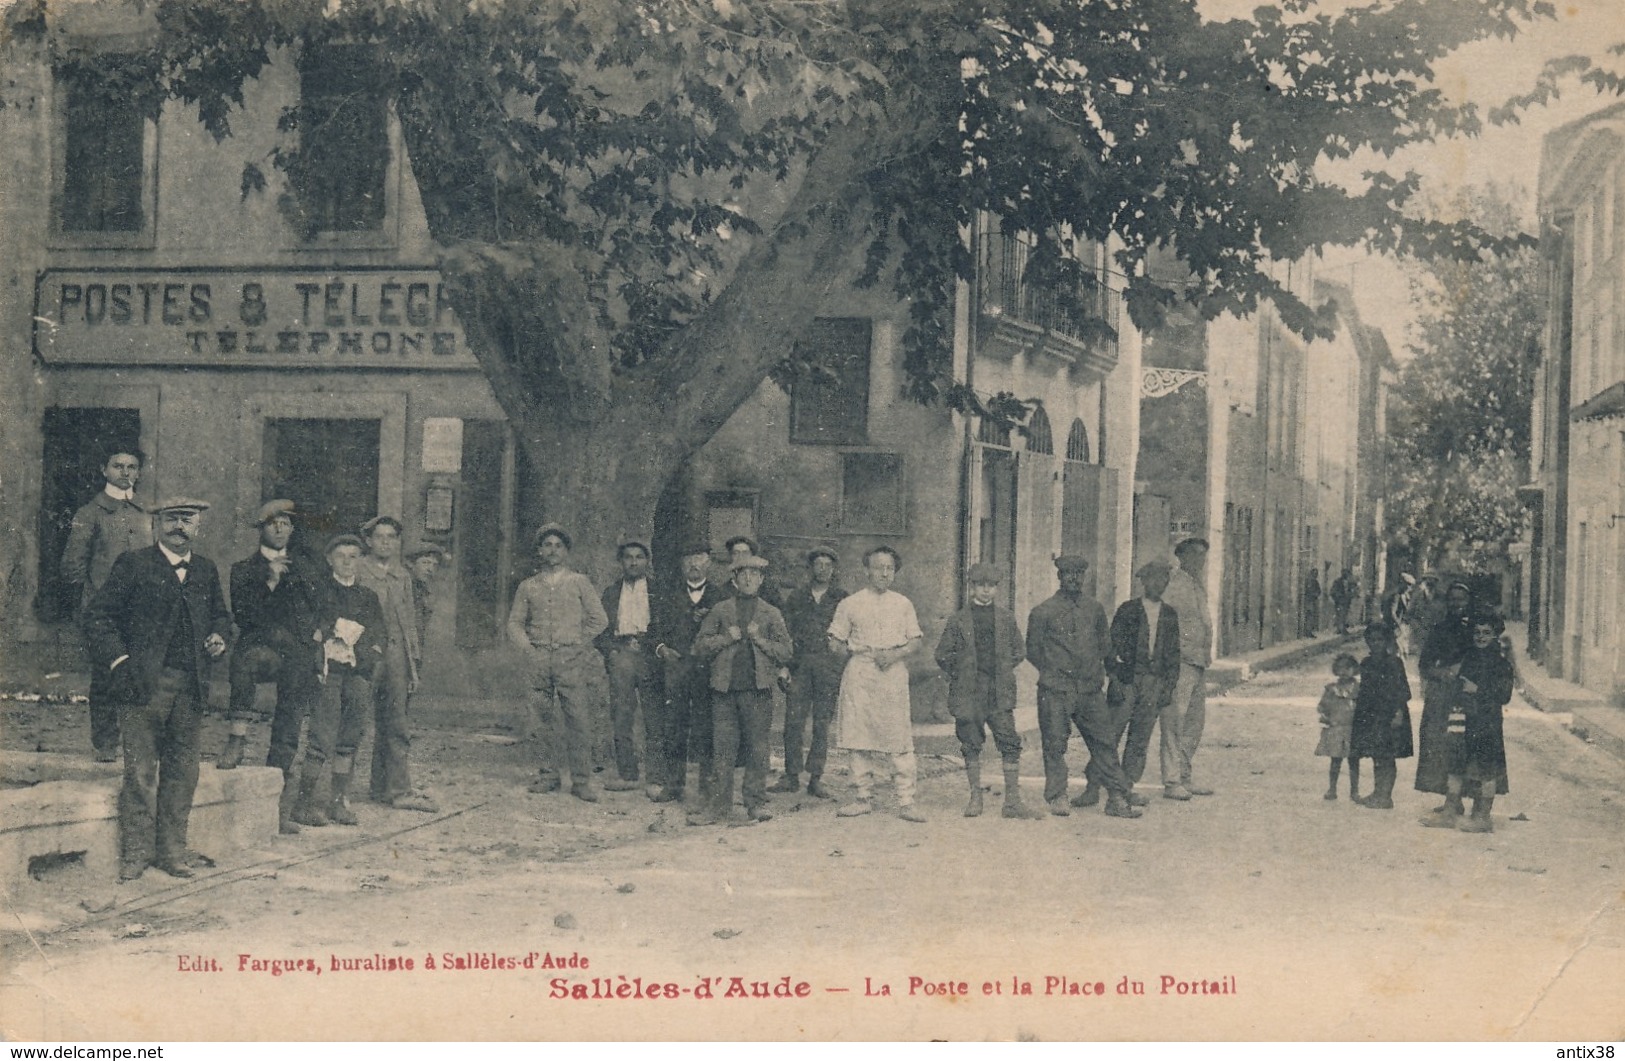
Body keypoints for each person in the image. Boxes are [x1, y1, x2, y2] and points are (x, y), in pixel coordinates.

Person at [83, 497, 231, 881]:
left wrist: (219, 635)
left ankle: (172, 852)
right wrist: (120, 663)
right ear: (156, 524)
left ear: (198, 526)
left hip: (190, 687)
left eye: (188, 520)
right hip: (144, 687)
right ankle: (136, 854)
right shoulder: (134, 564)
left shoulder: (206, 569)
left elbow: (221, 615)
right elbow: (99, 618)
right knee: (141, 773)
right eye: (171, 520)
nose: (180, 527)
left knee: (183, 774)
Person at [1025, 555, 1135, 818]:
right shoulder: (1043, 611)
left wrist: (1110, 677)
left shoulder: (1095, 610)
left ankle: (1117, 797)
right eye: (1068, 574)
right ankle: (1058, 796)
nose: (1074, 578)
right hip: (1056, 690)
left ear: (1084, 576)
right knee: (1054, 743)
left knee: (1104, 742)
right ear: (1059, 577)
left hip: (1089, 690)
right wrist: (1054, 671)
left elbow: (1105, 647)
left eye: (1078, 573)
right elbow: (1032, 651)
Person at [507, 523, 610, 803]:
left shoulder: (579, 582)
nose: (553, 551)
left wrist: (577, 641)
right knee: (540, 719)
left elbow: (599, 620)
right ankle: (548, 775)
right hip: (539, 658)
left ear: (566, 552)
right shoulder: (528, 586)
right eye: (548, 545)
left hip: (570, 659)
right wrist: (528, 648)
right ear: (540, 551)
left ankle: (581, 780)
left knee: (577, 718)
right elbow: (514, 623)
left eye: (558, 546)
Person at [62, 448, 153, 762]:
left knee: (140, 673)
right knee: (105, 676)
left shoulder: (147, 514)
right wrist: (94, 603)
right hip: (104, 613)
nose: (125, 472)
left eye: (132, 466)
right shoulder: (90, 513)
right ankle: (105, 743)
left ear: (139, 472)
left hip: (142, 611)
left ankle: (137, 743)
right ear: (104, 470)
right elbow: (72, 568)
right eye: (118, 466)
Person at [689, 555, 794, 825]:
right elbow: (699, 646)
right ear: (734, 580)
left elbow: (786, 651)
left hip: (758, 692)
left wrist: (760, 640)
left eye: (754, 574)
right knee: (723, 749)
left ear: (761, 579)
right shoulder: (721, 610)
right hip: (724, 691)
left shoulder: (771, 613)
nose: (748, 579)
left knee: (758, 749)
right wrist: (727, 638)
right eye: (742, 574)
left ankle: (755, 804)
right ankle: (719, 807)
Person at [293, 535, 385, 830]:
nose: (348, 561)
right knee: (322, 733)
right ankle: (303, 803)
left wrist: (364, 650)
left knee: (350, 735)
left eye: (354, 556)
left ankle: (338, 801)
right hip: (328, 671)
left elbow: (377, 634)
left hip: (356, 672)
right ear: (330, 559)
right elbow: (312, 627)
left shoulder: (368, 597)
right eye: (342, 555)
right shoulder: (318, 591)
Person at [936, 562, 1042, 819]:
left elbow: (1019, 650)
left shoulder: (1006, 618)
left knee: (1009, 740)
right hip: (969, 691)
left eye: (991, 586)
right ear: (972, 587)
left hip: (998, 691)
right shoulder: (958, 619)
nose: (986, 591)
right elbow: (942, 654)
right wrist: (961, 673)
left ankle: (1013, 802)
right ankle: (975, 798)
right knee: (970, 743)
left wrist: (1002, 669)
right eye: (981, 585)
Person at [222, 500, 321, 773]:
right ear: (261, 529)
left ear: (291, 529)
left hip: (296, 649)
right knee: (244, 662)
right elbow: (243, 616)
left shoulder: (305, 567)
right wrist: (270, 581)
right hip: (261, 646)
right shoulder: (243, 570)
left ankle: (279, 766)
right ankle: (237, 739)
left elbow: (317, 606)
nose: (279, 529)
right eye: (272, 524)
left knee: (295, 698)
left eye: (285, 524)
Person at [828, 546, 925, 822]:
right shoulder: (850, 603)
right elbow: (836, 639)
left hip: (893, 672)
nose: (884, 573)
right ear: (866, 570)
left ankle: (906, 800)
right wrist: (839, 647)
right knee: (858, 736)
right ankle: (862, 797)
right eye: (878, 567)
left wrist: (894, 654)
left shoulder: (903, 603)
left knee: (898, 736)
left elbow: (915, 641)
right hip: (860, 671)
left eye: (889, 568)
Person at [358, 516, 438, 813]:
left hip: (396, 658)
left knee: (396, 724)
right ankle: (336, 792)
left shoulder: (402, 576)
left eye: (391, 537)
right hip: (366, 654)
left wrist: (412, 666)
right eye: (380, 537)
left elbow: (409, 625)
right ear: (368, 540)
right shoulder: (358, 569)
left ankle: (394, 789)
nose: (386, 542)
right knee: (354, 721)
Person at [650, 543, 728, 805]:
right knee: (674, 724)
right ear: (682, 564)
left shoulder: (720, 596)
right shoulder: (667, 594)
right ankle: (673, 784)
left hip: (707, 670)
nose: (694, 563)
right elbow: (653, 631)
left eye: (700, 558)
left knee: (707, 726)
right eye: (689, 558)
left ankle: (707, 786)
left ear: (709, 562)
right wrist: (662, 650)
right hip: (677, 667)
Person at [1420, 612, 1512, 833]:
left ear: (1495, 636)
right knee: (1456, 766)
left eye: (1486, 633)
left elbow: (1504, 695)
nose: (1481, 637)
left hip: (1487, 724)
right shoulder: (1469, 658)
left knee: (1486, 769)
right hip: (1464, 720)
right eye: (1477, 633)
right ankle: (1450, 812)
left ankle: (1483, 817)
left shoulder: (1501, 664)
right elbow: (1459, 684)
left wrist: (1478, 690)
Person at [772, 546, 847, 798]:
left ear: (833, 569)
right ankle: (791, 776)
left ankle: (816, 778)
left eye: (828, 564)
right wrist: (783, 666)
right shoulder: (796, 597)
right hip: (800, 666)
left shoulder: (842, 599)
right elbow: (785, 634)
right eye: (818, 564)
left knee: (822, 725)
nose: (823, 569)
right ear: (811, 568)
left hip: (828, 668)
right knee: (793, 722)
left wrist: (840, 664)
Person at [1108, 560, 1181, 801]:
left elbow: (1173, 655)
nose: (1158, 584)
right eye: (1153, 579)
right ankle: (1097, 784)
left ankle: (1126, 786)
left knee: (1140, 736)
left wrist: (1167, 687)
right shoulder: (1128, 609)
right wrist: (1115, 679)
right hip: (1128, 680)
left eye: (1163, 580)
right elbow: (1110, 647)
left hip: (1153, 682)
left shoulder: (1169, 615)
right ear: (1143, 582)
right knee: (1111, 734)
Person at [595, 540, 661, 793]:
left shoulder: (658, 591)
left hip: (649, 655)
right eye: (628, 557)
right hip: (620, 655)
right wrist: (611, 651)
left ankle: (656, 777)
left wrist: (653, 647)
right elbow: (599, 629)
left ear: (647, 561)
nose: (633, 562)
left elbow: (666, 625)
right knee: (622, 716)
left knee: (654, 717)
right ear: (621, 562)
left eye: (639, 557)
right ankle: (628, 774)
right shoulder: (611, 593)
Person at [1160, 537, 1215, 799]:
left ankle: (1184, 775)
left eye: (1203, 557)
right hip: (1179, 663)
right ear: (1182, 557)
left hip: (1198, 662)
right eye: (1196, 556)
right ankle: (1171, 781)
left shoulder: (1196, 585)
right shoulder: (1173, 585)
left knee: (1194, 723)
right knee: (1174, 722)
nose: (1201, 562)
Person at [1414, 581, 1475, 813]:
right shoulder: (1439, 628)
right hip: (1442, 694)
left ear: (1468, 602)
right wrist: (1441, 672)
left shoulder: (1475, 630)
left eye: (1461, 600)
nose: (1456, 604)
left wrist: (1463, 669)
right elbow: (1425, 663)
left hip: (1466, 696)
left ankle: (1468, 797)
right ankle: (1452, 798)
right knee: (1441, 745)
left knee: (1463, 745)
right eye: (1452, 600)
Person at [1349, 621, 1413, 810]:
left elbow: (1403, 691)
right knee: (1377, 755)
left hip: (1390, 715)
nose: (1375, 643)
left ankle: (1386, 795)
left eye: (1380, 639)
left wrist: (1398, 713)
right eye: (1371, 639)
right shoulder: (1367, 663)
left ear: (1387, 641)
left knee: (1387, 756)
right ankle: (1378, 792)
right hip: (1370, 715)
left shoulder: (1394, 662)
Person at [1315, 653, 1360, 801]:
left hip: (1353, 729)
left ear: (1354, 669)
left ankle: (1354, 791)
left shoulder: (1358, 689)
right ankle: (1332, 789)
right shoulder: (1331, 689)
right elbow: (1322, 706)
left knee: (1354, 761)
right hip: (1336, 728)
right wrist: (1326, 716)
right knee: (1335, 761)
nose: (1344, 671)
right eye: (1340, 668)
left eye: (1348, 668)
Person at [405, 543, 447, 646]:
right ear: (411, 564)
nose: (430, 569)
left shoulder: (425, 590)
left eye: (434, 565)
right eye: (425, 563)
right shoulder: (401, 588)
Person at [1330, 569, 1356, 635]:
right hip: (1340, 602)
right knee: (1340, 615)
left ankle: (1342, 629)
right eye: (1345, 573)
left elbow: (1352, 591)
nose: (1346, 575)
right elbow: (1333, 591)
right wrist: (1338, 598)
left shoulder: (1350, 583)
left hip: (1346, 602)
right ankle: (1340, 629)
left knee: (1344, 615)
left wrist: (1350, 596)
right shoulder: (1337, 582)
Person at [1302, 569, 1322, 638]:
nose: (1315, 575)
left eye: (1316, 574)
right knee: (1309, 615)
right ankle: (1307, 631)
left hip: (1313, 601)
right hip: (1308, 601)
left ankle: (1309, 631)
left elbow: (1319, 591)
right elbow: (1308, 591)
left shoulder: (1315, 582)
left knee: (1312, 616)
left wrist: (1316, 594)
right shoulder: (1309, 581)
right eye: (1314, 574)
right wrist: (1314, 594)